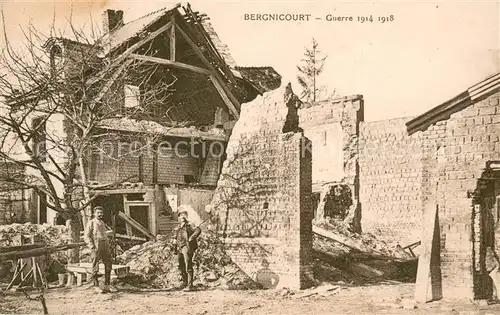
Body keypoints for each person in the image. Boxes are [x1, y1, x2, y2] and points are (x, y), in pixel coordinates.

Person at [84, 206, 113, 293]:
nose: (100, 214)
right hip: (96, 246)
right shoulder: (91, 223)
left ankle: (107, 286)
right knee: (95, 267)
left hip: (105, 246)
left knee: (108, 265)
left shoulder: (102, 222)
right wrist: (92, 246)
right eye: (98, 213)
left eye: (101, 213)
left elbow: (104, 234)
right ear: (94, 213)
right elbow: (86, 236)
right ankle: (96, 286)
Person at [172, 210, 201, 291]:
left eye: (184, 215)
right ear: (178, 218)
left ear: (186, 217)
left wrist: (192, 237)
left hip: (187, 247)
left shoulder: (190, 225)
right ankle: (184, 282)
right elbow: (175, 237)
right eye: (181, 216)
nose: (182, 217)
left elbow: (198, 230)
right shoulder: (178, 227)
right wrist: (174, 246)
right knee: (181, 266)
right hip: (179, 248)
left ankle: (190, 285)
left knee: (188, 265)